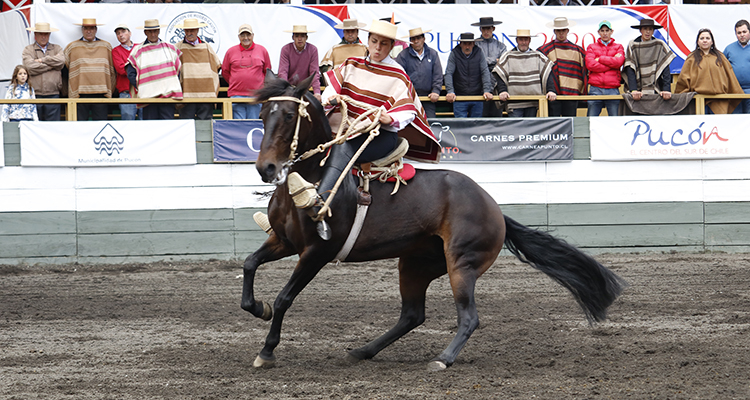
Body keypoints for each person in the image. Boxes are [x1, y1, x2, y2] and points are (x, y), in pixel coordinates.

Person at [286, 19, 439, 239]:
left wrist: (390, 118)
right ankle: (283, 217)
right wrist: (331, 98)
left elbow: (408, 111)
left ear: (391, 46)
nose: (378, 48)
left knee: (342, 147)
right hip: (346, 129)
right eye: (374, 41)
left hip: (380, 137)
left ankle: (319, 204)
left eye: (384, 44)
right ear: (367, 40)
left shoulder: (397, 74)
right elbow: (330, 90)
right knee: (310, 143)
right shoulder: (352, 64)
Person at [675, 29, 743, 114]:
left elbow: (730, 77)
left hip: (720, 101)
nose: (705, 40)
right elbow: (683, 80)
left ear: (712, 42)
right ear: (698, 42)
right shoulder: (691, 58)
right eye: (702, 38)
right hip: (698, 101)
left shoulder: (720, 57)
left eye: (707, 38)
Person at [126, 19, 183, 120]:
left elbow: (178, 70)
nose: (153, 34)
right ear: (145, 32)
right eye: (150, 31)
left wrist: (171, 83)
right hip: (148, 98)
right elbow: (130, 72)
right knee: (151, 126)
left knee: (167, 125)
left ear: (159, 31)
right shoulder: (138, 51)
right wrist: (143, 86)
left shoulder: (170, 48)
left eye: (155, 31)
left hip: (167, 96)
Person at [494, 29, 557, 117]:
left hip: (532, 102)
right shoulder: (508, 56)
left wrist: (551, 90)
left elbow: (547, 73)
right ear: (516, 40)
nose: (523, 42)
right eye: (521, 39)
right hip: (514, 102)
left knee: (530, 129)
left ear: (529, 40)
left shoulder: (537, 56)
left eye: (526, 39)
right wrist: (502, 91)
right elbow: (499, 74)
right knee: (516, 129)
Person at [64, 18, 116, 121]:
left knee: (100, 126)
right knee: (80, 126)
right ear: (82, 30)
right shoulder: (72, 47)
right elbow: (65, 69)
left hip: (101, 93)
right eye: (86, 28)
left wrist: (111, 90)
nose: (89, 31)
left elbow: (112, 71)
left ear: (96, 30)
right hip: (80, 94)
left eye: (91, 28)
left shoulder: (106, 46)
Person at [538, 17, 587, 117]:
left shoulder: (578, 51)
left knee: (569, 123)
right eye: (558, 31)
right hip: (552, 93)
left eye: (563, 30)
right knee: (553, 124)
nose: (561, 33)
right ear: (554, 31)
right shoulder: (545, 50)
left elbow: (583, 72)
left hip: (572, 94)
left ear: (567, 31)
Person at [174, 18, 221, 120]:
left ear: (197, 30)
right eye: (187, 30)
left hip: (205, 94)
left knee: (205, 126)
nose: (189, 33)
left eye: (192, 30)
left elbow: (217, 66)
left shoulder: (207, 47)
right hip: (186, 94)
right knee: (186, 125)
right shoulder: (177, 47)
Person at [222, 24, 271, 120]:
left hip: (256, 96)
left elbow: (267, 70)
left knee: (253, 124)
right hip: (236, 95)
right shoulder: (230, 51)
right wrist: (236, 83)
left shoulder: (262, 50)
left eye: (248, 35)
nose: (245, 38)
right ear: (238, 37)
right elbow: (225, 72)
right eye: (242, 35)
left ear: (253, 35)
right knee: (238, 126)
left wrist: (258, 85)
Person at [395, 27, 443, 118]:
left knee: (430, 125)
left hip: (428, 98)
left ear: (423, 39)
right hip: (410, 98)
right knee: (409, 127)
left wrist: (436, 91)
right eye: (413, 39)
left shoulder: (433, 54)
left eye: (418, 38)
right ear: (410, 41)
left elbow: (438, 74)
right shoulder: (403, 56)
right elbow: (399, 76)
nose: (416, 41)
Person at [622, 19, 675, 102]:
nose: (647, 32)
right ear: (640, 30)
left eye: (650, 29)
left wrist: (666, 89)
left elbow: (665, 67)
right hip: (638, 88)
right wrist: (633, 89)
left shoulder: (659, 44)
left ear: (653, 31)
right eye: (645, 29)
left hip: (656, 88)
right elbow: (630, 68)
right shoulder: (633, 45)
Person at [22, 22, 64, 121]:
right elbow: (29, 67)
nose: (43, 36)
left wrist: (42, 60)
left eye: (46, 34)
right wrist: (52, 65)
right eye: (41, 34)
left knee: (53, 126)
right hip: (34, 94)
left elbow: (61, 62)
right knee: (35, 126)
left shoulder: (57, 48)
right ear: (35, 35)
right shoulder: (28, 49)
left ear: (49, 35)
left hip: (53, 93)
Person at [444, 33, 493, 118]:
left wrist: (487, 90)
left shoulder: (479, 52)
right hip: (459, 97)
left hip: (477, 97)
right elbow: (448, 73)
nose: (467, 47)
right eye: (465, 44)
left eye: (469, 44)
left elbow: (485, 72)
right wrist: (450, 91)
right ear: (460, 44)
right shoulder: (454, 53)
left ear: (473, 44)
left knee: (476, 126)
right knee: (461, 126)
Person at [586, 20, 625, 117]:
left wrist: (600, 59)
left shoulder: (618, 47)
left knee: (614, 121)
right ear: (598, 32)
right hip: (595, 89)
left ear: (612, 32)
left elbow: (619, 62)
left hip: (613, 88)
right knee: (591, 120)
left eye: (607, 30)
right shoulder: (591, 47)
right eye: (602, 30)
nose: (605, 33)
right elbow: (590, 65)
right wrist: (611, 64)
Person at [472, 17, 507, 117]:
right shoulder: (474, 45)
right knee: (480, 117)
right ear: (480, 29)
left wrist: (483, 61)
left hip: (496, 86)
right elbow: (475, 62)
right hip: (479, 86)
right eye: (484, 29)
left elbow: (503, 63)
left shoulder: (501, 46)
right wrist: (494, 60)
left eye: (488, 29)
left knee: (496, 117)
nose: (486, 31)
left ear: (493, 29)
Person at [278, 24, 321, 102]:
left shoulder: (313, 50)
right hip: (289, 89)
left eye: (302, 36)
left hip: (306, 89)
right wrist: (285, 90)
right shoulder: (286, 49)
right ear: (293, 37)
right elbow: (283, 72)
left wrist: (317, 92)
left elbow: (314, 73)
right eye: (297, 36)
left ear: (306, 38)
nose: (300, 39)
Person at [111, 23, 140, 120]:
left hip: (142, 91)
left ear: (130, 33)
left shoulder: (140, 47)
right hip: (126, 92)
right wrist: (138, 67)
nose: (121, 35)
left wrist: (128, 65)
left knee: (147, 123)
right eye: (118, 33)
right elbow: (121, 70)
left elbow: (146, 67)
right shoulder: (115, 51)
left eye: (123, 32)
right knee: (128, 125)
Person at [724, 20, 750, 114]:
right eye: (739, 32)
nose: (742, 35)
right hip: (733, 91)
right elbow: (722, 68)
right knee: (735, 120)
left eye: (744, 32)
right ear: (736, 34)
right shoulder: (729, 49)